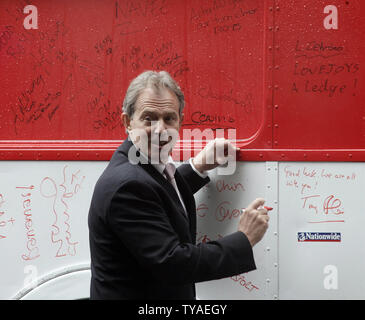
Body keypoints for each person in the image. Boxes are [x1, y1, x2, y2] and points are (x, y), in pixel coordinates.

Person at [88, 70, 269, 299]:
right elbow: (173, 264)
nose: (160, 129)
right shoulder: (128, 186)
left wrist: (197, 167)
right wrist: (244, 239)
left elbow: (157, 192)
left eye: (169, 118)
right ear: (127, 122)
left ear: (180, 122)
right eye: (149, 118)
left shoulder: (139, 165)